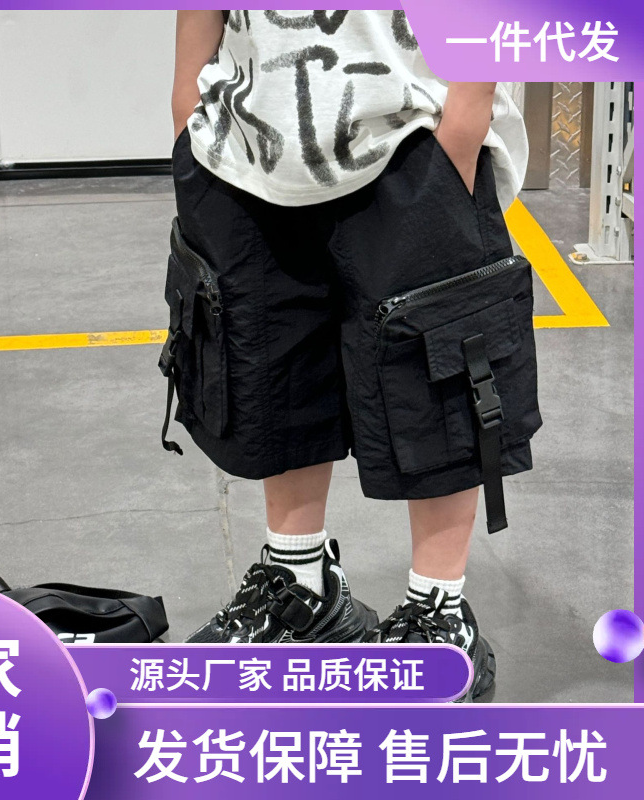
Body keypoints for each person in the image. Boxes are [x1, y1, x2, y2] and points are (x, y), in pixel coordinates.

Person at [161, 10, 541, 701]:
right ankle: (300, 584)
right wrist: (187, 97)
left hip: (412, 130)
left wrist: (466, 116)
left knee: (436, 377)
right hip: (245, 137)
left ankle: (438, 612)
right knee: (272, 363)